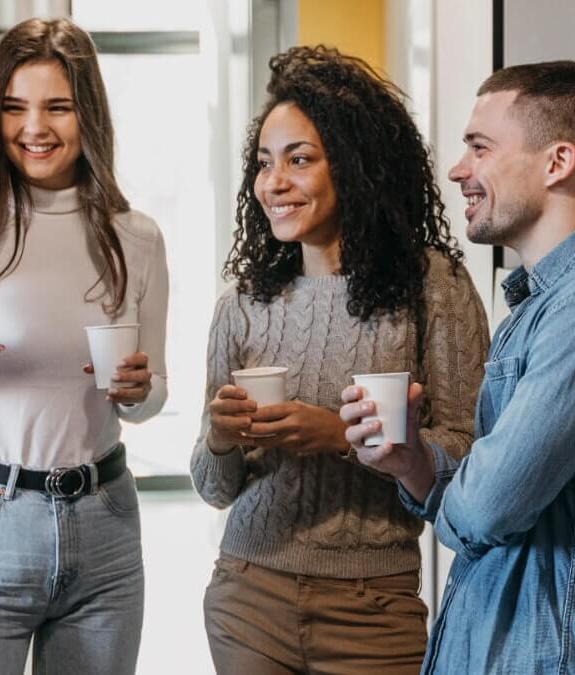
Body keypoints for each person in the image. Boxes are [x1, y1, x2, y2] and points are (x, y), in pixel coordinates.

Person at [342, 60, 575, 674]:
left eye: (479, 148)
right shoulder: (549, 303)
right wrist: (416, 465)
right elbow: (500, 492)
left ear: (557, 163)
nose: (457, 170)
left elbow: (487, 509)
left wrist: (461, 486)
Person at [191, 46, 489, 675]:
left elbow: (469, 456)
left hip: (373, 608)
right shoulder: (244, 304)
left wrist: (340, 437)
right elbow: (216, 489)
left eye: (299, 160)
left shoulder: (434, 288)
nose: (274, 182)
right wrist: (218, 439)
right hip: (249, 593)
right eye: (264, 163)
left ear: (356, 167)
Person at [0, 17, 169, 675]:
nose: (34, 127)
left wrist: (136, 389)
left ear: (89, 114)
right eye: (14, 107)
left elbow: (152, 395)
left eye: (57, 107)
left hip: (105, 527)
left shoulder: (137, 236)